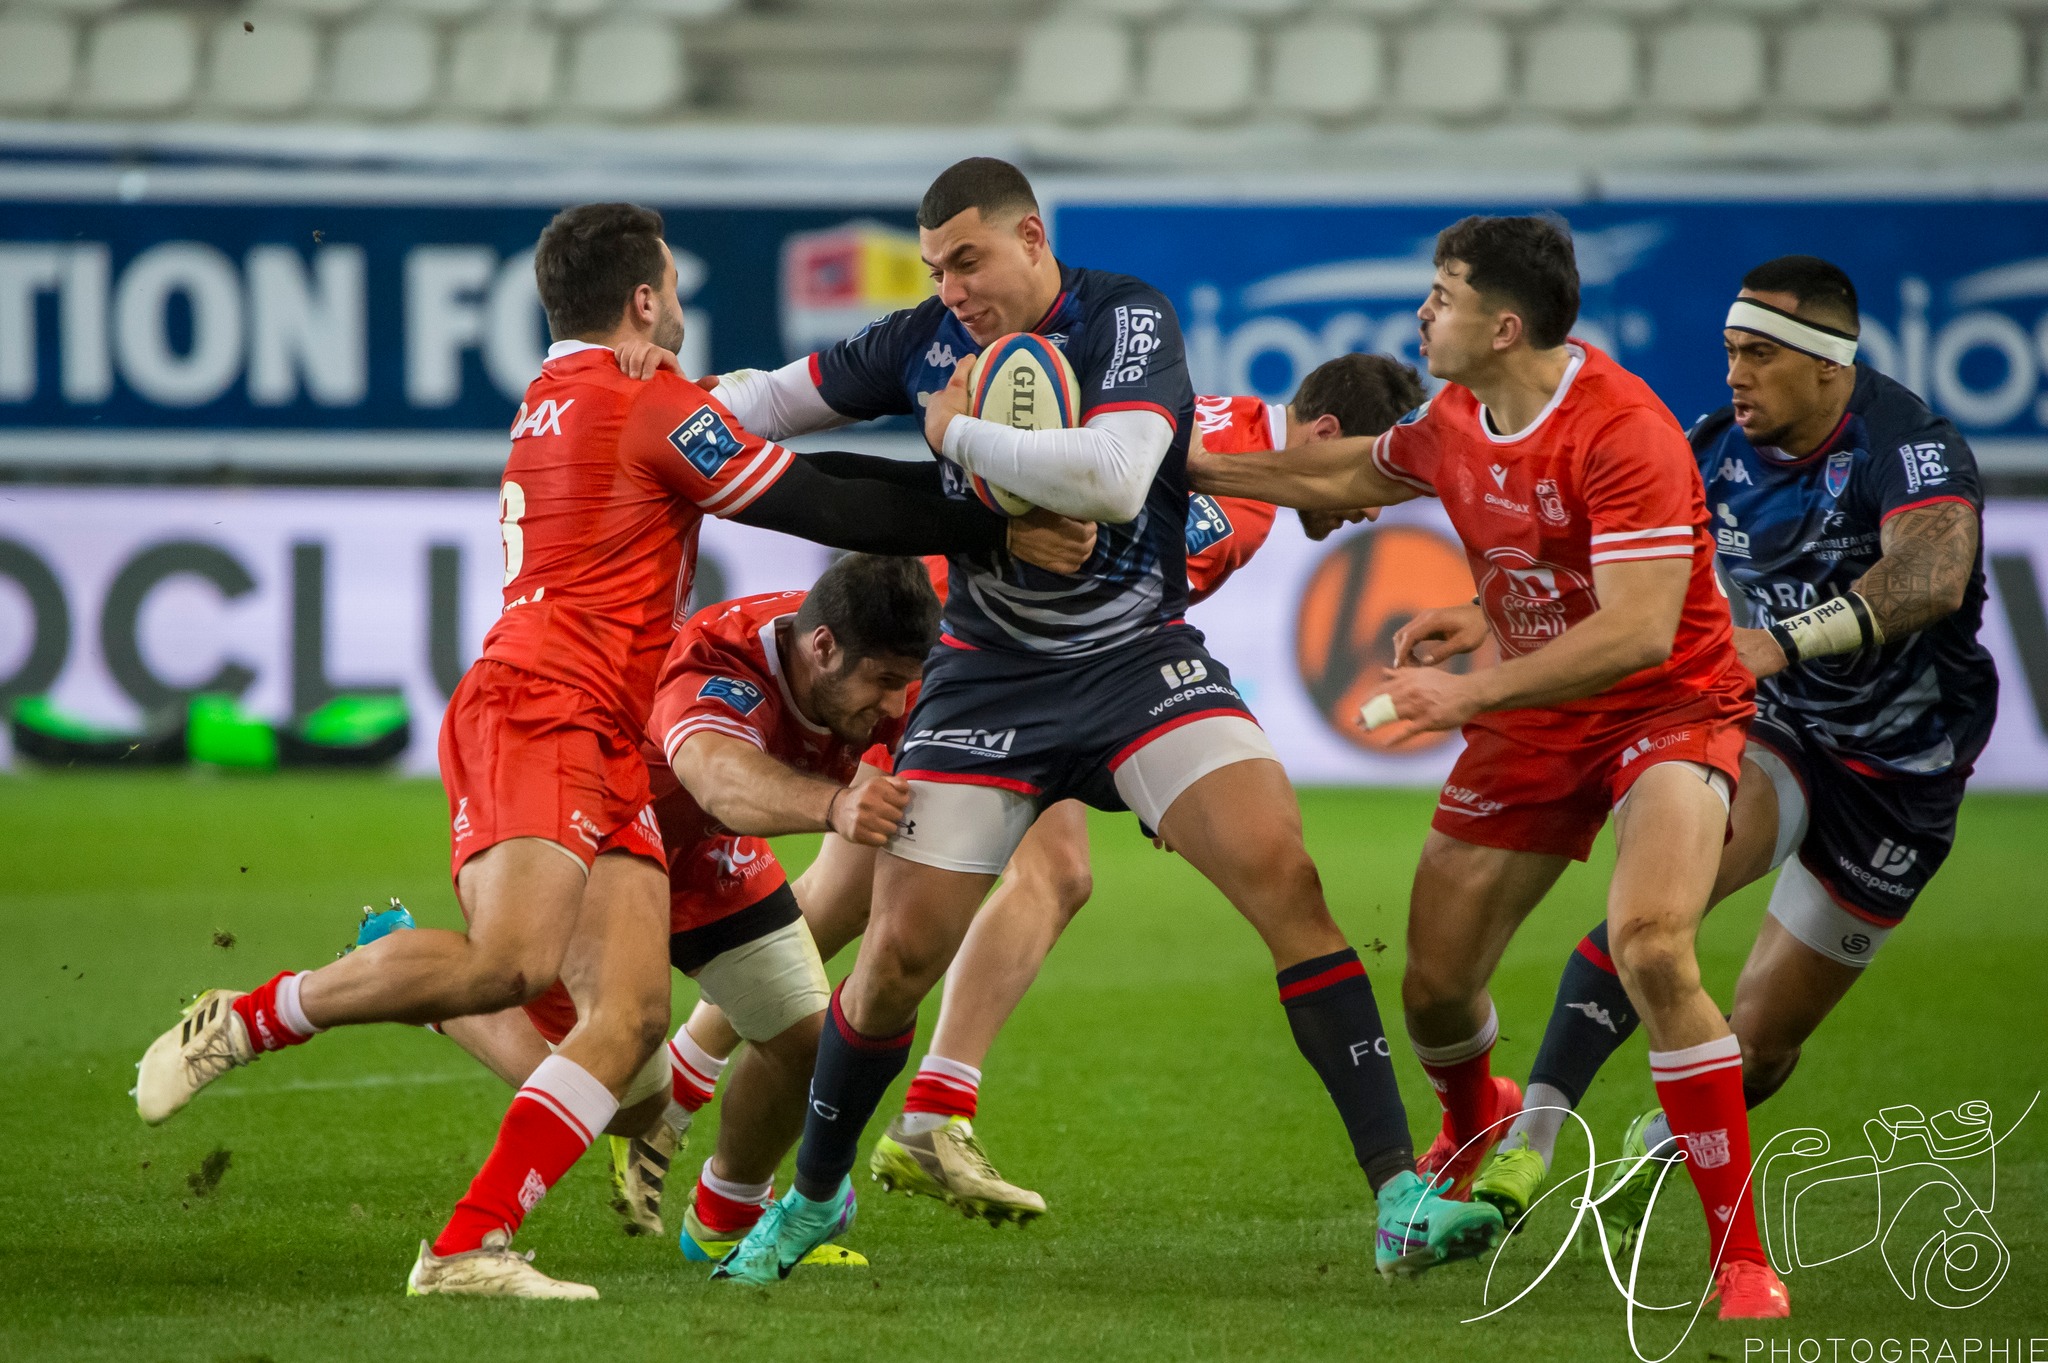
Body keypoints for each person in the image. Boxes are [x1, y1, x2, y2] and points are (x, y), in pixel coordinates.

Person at [130, 202, 1093, 1301]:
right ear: (642, 298)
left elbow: (786, 459)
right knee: (510, 964)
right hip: (543, 703)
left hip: (599, 725)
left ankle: (471, 1239)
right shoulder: (638, 400)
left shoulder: (569, 391)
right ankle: (258, 1026)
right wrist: (993, 517)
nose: (680, 304)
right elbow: (820, 500)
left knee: (632, 1053)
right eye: (671, 285)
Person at [670, 156, 1495, 1285]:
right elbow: (768, 399)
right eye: (935, 268)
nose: (951, 286)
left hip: (1134, 662)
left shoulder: (1127, 321)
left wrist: (954, 435)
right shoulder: (920, 340)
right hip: (986, 677)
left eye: (967, 260)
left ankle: (1397, 1194)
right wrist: (654, 397)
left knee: (1283, 874)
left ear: (1030, 238)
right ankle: (810, 1197)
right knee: (897, 953)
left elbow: (1111, 480)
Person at [1190, 213, 1792, 1319]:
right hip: (1534, 718)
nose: (1424, 311)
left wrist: (1464, 693)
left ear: (1501, 324)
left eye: (1443, 293)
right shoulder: (1451, 422)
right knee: (1431, 985)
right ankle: (1476, 1118)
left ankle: (1740, 1258)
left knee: (1652, 944)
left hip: (1664, 706)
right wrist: (1182, 464)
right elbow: (1345, 471)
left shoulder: (1624, 430)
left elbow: (1639, 630)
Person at [1467, 256, 1995, 1250]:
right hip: (1771, 726)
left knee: (1761, 1043)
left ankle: (1660, 1150)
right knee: (1653, 917)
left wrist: (1784, 638)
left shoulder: (1906, 443)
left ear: (1829, 367)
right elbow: (1595, 568)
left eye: (1758, 355)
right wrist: (1477, 617)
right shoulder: (1703, 452)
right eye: (1727, 352)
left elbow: (1927, 577)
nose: (1734, 375)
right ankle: (1526, 1144)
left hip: (1901, 775)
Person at [433, 556, 941, 1265]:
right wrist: (834, 805)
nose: (895, 703)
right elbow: (717, 779)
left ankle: (726, 1217)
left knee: (807, 1046)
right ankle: (439, 990)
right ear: (822, 647)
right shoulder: (719, 656)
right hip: (601, 849)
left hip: (704, 855)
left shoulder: (888, 623)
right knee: (623, 1093)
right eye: (884, 683)